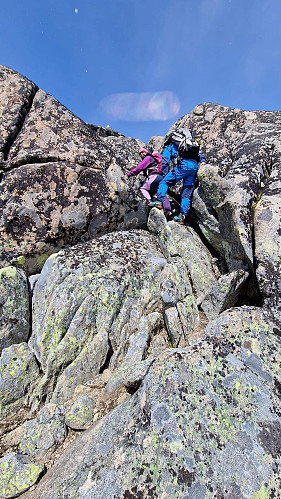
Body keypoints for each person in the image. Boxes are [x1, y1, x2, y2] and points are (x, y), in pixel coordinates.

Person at [149, 141, 206, 224]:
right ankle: (183, 216)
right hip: (194, 168)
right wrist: (203, 161)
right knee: (186, 195)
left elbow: (165, 159)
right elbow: (199, 155)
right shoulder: (189, 146)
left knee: (164, 183)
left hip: (183, 165)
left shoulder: (171, 146)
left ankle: (160, 201)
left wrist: (164, 173)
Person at [127, 147, 171, 214]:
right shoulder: (154, 159)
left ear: (146, 152)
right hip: (161, 177)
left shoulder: (148, 158)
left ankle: (150, 202)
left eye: (142, 152)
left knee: (143, 188)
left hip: (154, 176)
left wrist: (129, 174)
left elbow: (139, 168)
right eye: (140, 153)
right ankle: (167, 209)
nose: (141, 154)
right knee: (160, 192)